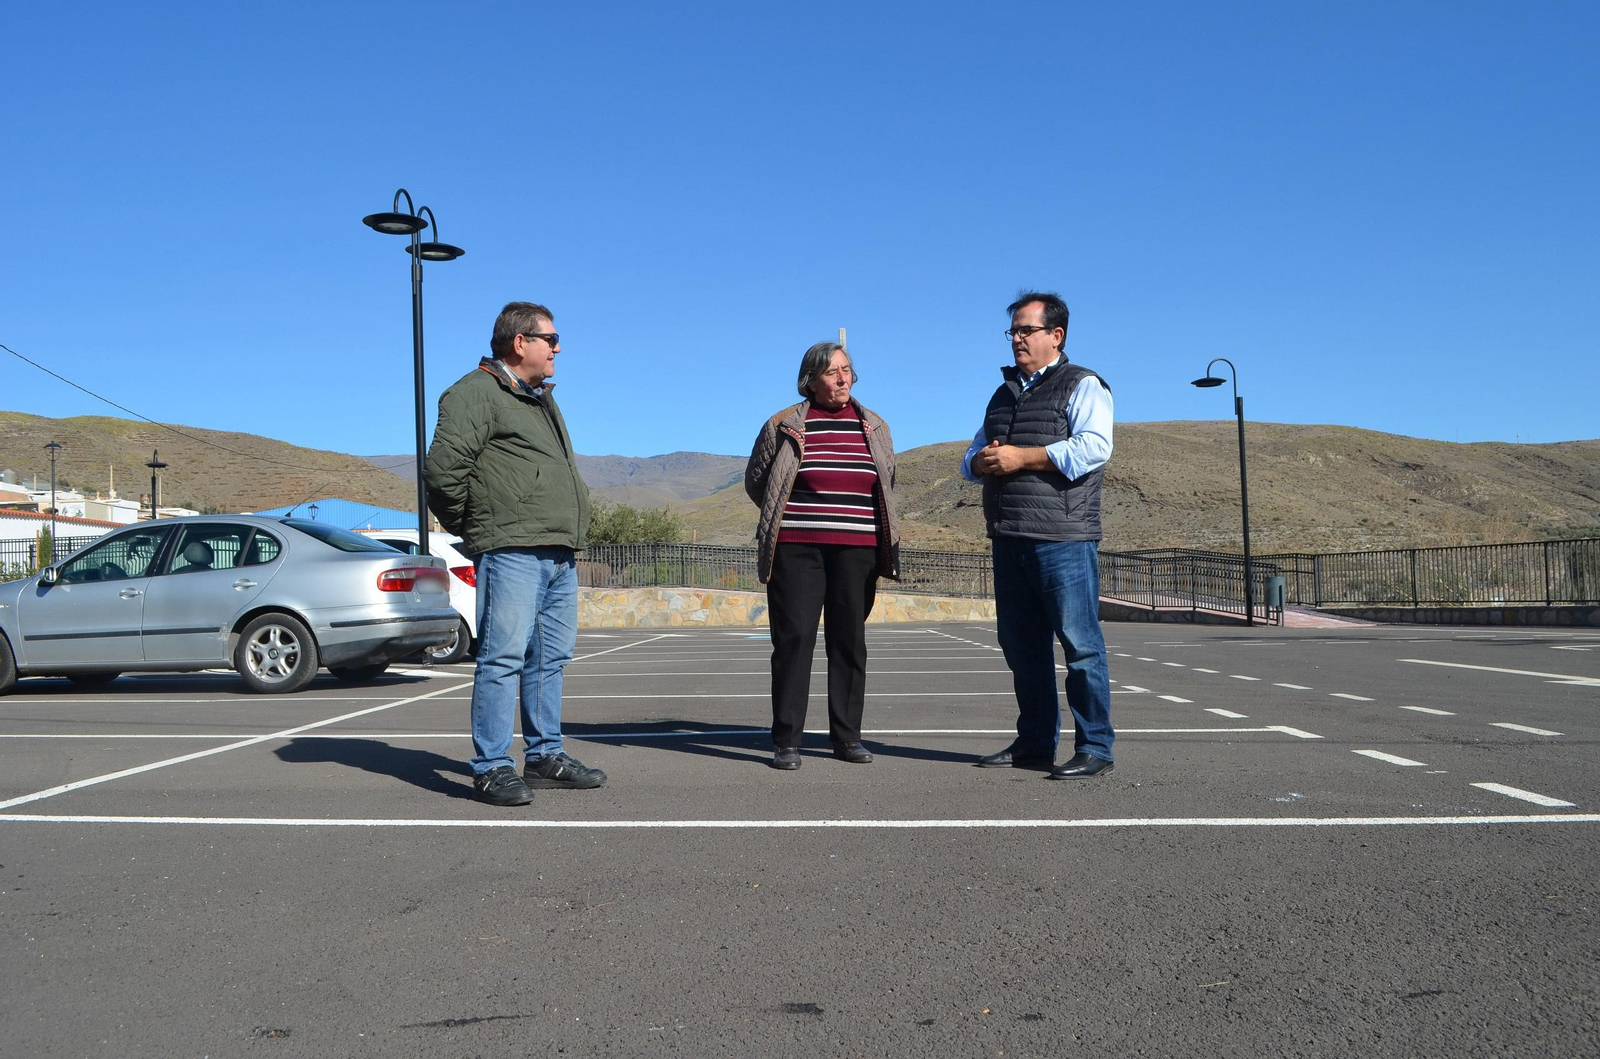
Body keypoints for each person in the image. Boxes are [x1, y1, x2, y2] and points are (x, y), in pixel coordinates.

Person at [424, 301, 605, 806]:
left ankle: (545, 756)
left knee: (550, 658)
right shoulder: (473, 394)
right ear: (519, 342)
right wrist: (478, 526)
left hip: (557, 549)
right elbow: (442, 473)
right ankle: (491, 767)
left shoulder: (539, 397)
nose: (558, 348)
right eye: (551, 338)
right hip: (511, 549)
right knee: (502, 658)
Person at [962, 291, 1116, 779]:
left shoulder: (1084, 385)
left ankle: (1095, 747)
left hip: (1063, 538)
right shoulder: (1002, 393)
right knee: (1021, 646)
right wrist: (980, 462)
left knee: (1080, 645)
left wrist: (1023, 457)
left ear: (1057, 335)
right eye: (1013, 331)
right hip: (1009, 535)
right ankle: (1034, 742)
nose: (1017, 340)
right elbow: (970, 458)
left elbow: (1094, 447)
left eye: (1026, 330)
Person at [745, 341, 901, 770]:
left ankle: (848, 738)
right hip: (797, 548)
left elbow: (887, 480)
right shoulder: (783, 424)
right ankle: (787, 740)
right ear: (810, 380)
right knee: (794, 640)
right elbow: (759, 482)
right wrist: (793, 515)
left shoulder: (875, 426)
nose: (842, 378)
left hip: (858, 549)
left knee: (849, 641)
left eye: (847, 369)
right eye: (832, 372)